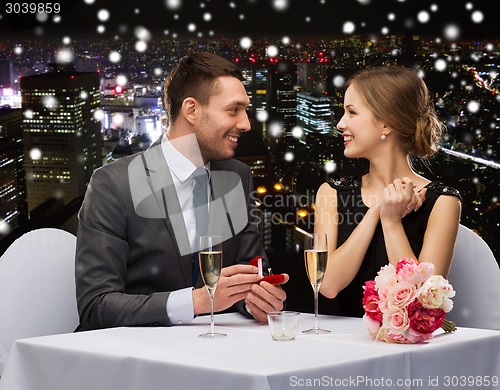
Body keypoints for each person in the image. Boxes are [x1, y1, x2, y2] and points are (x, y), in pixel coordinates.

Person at [75, 52, 288, 330]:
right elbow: (96, 306)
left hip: (221, 355)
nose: (246, 124)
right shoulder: (113, 184)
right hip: (137, 359)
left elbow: (249, 274)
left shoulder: (237, 176)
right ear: (191, 110)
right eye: (233, 110)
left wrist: (256, 301)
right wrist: (197, 301)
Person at [315, 66, 461, 317]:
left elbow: (424, 300)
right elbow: (327, 285)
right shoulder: (331, 192)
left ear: (386, 122)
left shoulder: (443, 202)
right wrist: (374, 213)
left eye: (351, 113)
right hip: (338, 345)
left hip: (406, 351)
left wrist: (391, 221)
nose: (340, 124)